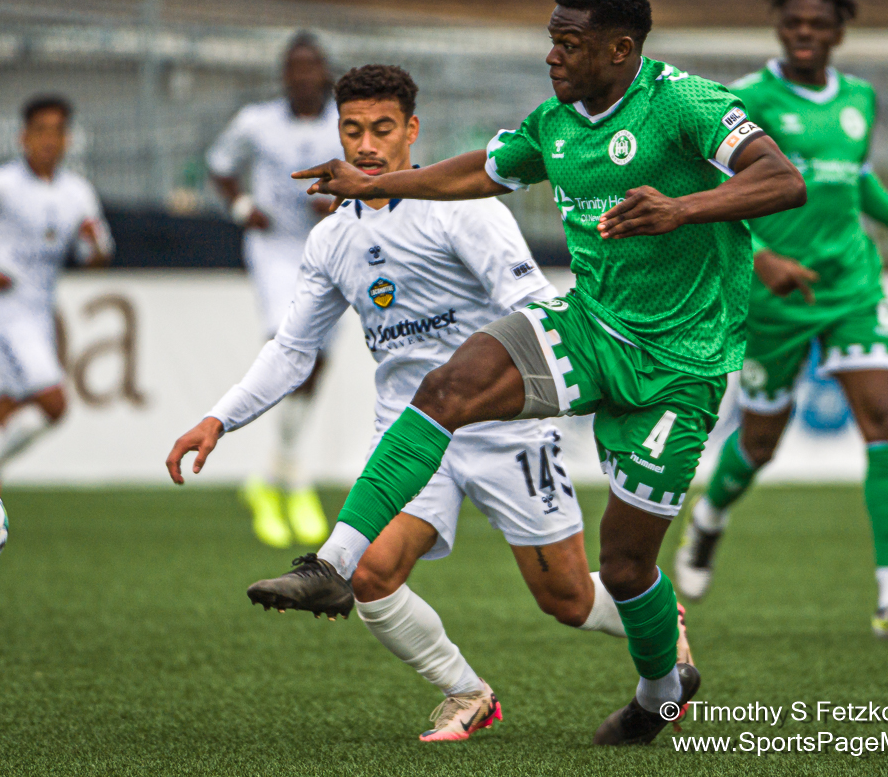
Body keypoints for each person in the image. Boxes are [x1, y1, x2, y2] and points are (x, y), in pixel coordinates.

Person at [244, 0, 806, 746]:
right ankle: (332, 565)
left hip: (681, 366)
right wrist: (374, 182)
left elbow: (782, 178)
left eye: (569, 43)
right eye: (552, 39)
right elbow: (477, 171)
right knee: (447, 387)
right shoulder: (555, 123)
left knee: (626, 566)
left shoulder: (685, 103)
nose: (552, 55)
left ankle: (657, 694)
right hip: (591, 327)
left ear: (620, 49)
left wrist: (680, 208)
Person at [168, 64, 683, 741]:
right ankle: (466, 692)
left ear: (412, 131)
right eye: (353, 130)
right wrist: (219, 418)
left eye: (382, 129)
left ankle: (660, 620)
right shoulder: (331, 238)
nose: (366, 145)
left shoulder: (462, 208)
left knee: (567, 598)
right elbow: (292, 350)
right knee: (373, 574)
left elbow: (533, 302)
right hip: (411, 436)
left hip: (503, 429)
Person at [676, 0, 888, 641]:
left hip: (851, 286)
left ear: (837, 33)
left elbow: (857, 179)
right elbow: (713, 189)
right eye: (793, 22)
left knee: (886, 416)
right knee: (760, 442)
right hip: (773, 295)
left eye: (817, 23)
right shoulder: (747, 98)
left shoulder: (859, 98)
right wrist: (761, 256)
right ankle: (709, 517)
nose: (804, 32)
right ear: (779, 28)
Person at [205, 32, 343, 549]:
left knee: (317, 361)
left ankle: (272, 477)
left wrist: (339, 201)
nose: (303, 76)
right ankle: (297, 481)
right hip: (275, 249)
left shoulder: (343, 123)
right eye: (295, 67)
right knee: (287, 344)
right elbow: (219, 165)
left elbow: (374, 174)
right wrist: (242, 207)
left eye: (312, 67)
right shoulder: (256, 122)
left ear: (324, 72)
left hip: (330, 247)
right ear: (284, 75)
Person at [0, 94, 113, 491]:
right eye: (41, 131)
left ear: (68, 139)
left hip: (41, 314)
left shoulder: (78, 193)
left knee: (8, 409)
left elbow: (95, 260)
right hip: (3, 313)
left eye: (57, 131)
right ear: (24, 137)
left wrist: (96, 244)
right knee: (54, 403)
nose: (49, 140)